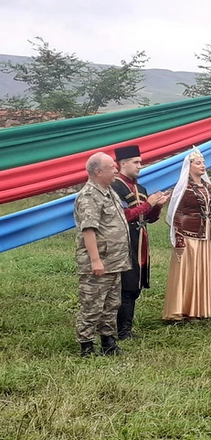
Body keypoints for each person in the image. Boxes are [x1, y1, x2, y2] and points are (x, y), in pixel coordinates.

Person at [73, 152, 131, 356]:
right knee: (92, 305)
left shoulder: (108, 191)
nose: (116, 169)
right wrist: (95, 260)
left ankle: (108, 343)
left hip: (115, 261)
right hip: (100, 262)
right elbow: (89, 230)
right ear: (98, 172)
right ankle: (86, 346)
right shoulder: (89, 195)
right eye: (111, 167)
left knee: (111, 304)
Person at [111, 144, 169, 339]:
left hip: (140, 240)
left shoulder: (141, 188)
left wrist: (157, 207)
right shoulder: (115, 187)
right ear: (123, 163)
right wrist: (149, 203)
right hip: (123, 240)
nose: (139, 166)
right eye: (135, 162)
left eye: (140, 162)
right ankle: (122, 331)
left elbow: (149, 218)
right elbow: (123, 216)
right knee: (126, 286)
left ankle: (126, 329)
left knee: (135, 285)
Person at [163, 148, 211, 321]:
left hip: (206, 234)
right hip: (189, 233)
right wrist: (179, 237)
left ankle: (204, 306)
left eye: (203, 162)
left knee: (205, 268)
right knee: (190, 271)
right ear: (189, 166)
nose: (202, 165)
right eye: (198, 163)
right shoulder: (184, 187)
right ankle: (186, 309)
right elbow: (177, 212)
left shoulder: (207, 186)